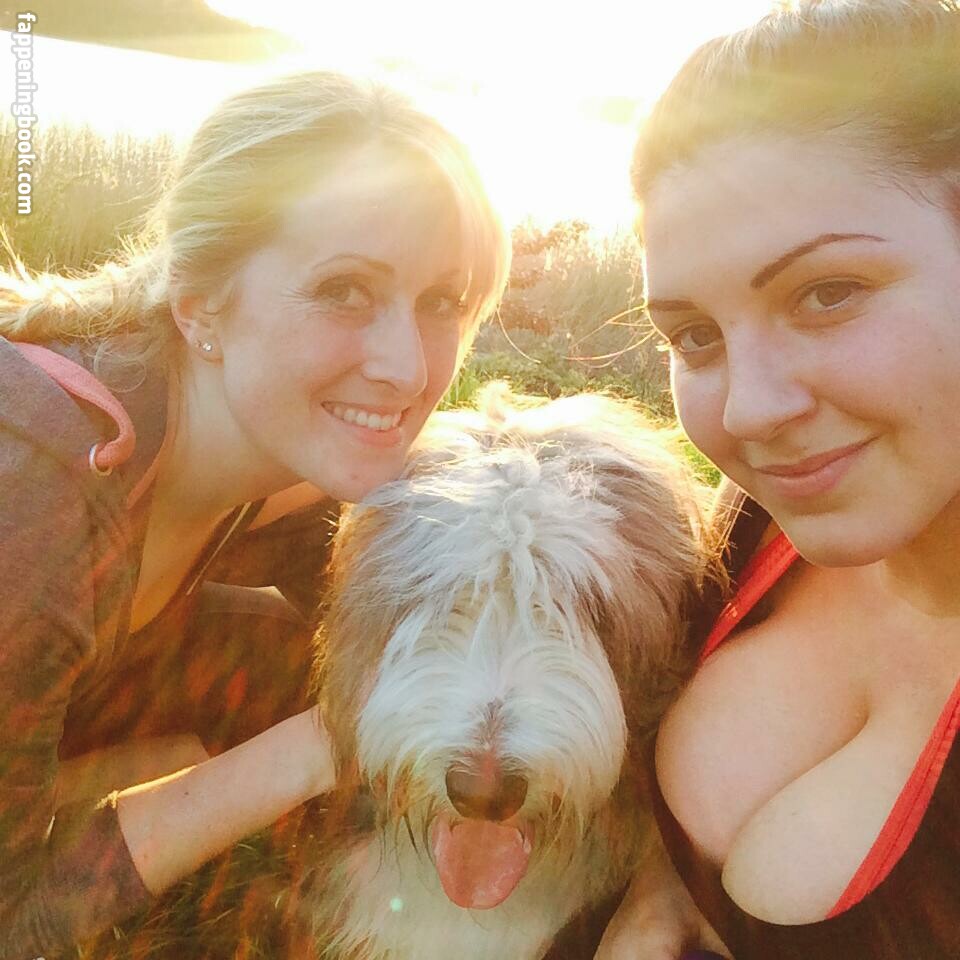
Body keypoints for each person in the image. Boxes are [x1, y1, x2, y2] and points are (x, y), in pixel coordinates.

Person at [0, 70, 509, 958]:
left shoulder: (278, 467)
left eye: (441, 303)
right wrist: (314, 749)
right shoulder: (30, 509)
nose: (408, 368)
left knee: (286, 650)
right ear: (201, 302)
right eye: (345, 289)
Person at [594, 1, 960, 957]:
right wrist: (660, 894)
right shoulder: (767, 517)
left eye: (827, 293)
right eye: (694, 336)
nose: (750, 412)